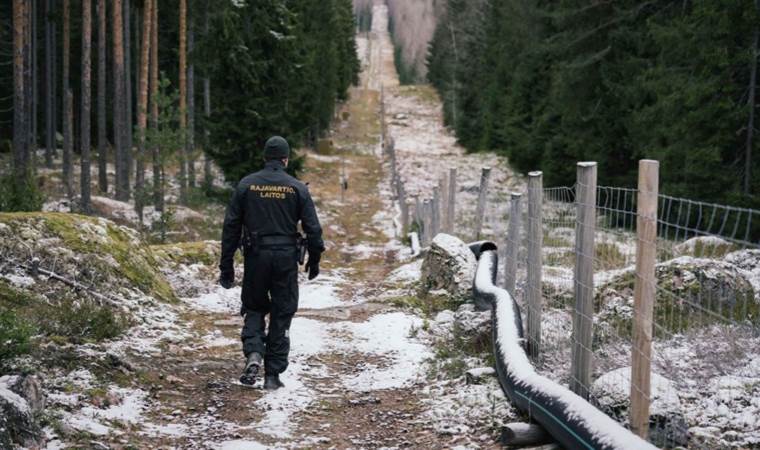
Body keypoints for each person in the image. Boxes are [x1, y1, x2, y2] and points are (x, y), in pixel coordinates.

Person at [218, 136, 324, 390]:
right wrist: (315, 260)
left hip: (256, 257)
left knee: (254, 307)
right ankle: (272, 375)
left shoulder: (247, 185)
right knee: (282, 312)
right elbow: (313, 230)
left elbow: (231, 227)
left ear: (265, 158)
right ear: (285, 159)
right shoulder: (297, 188)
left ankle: (254, 353)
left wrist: (227, 265)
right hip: (286, 259)